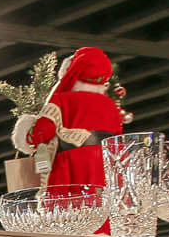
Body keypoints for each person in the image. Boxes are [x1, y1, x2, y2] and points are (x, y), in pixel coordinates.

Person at [20, 46, 123, 199]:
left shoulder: (61, 100)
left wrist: (26, 129)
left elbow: (42, 133)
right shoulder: (111, 106)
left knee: (68, 208)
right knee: (102, 207)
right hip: (104, 168)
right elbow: (118, 141)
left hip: (71, 165)